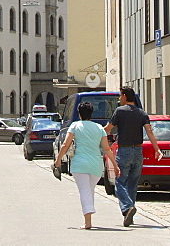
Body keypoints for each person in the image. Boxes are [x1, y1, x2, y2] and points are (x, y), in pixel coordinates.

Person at [53, 101, 119, 230]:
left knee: (84, 191)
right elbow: (106, 149)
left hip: (79, 164)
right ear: (91, 113)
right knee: (89, 190)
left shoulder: (75, 126)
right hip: (96, 165)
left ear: (79, 113)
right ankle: (88, 217)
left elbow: (66, 144)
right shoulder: (99, 128)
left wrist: (58, 160)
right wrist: (115, 165)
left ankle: (88, 221)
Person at [104, 86, 163, 227]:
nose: (119, 99)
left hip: (124, 151)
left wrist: (97, 137)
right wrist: (157, 149)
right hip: (138, 151)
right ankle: (128, 213)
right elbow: (150, 132)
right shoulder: (141, 113)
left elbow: (108, 128)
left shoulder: (119, 111)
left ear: (124, 96)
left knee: (119, 182)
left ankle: (127, 207)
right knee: (132, 183)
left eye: (120, 96)